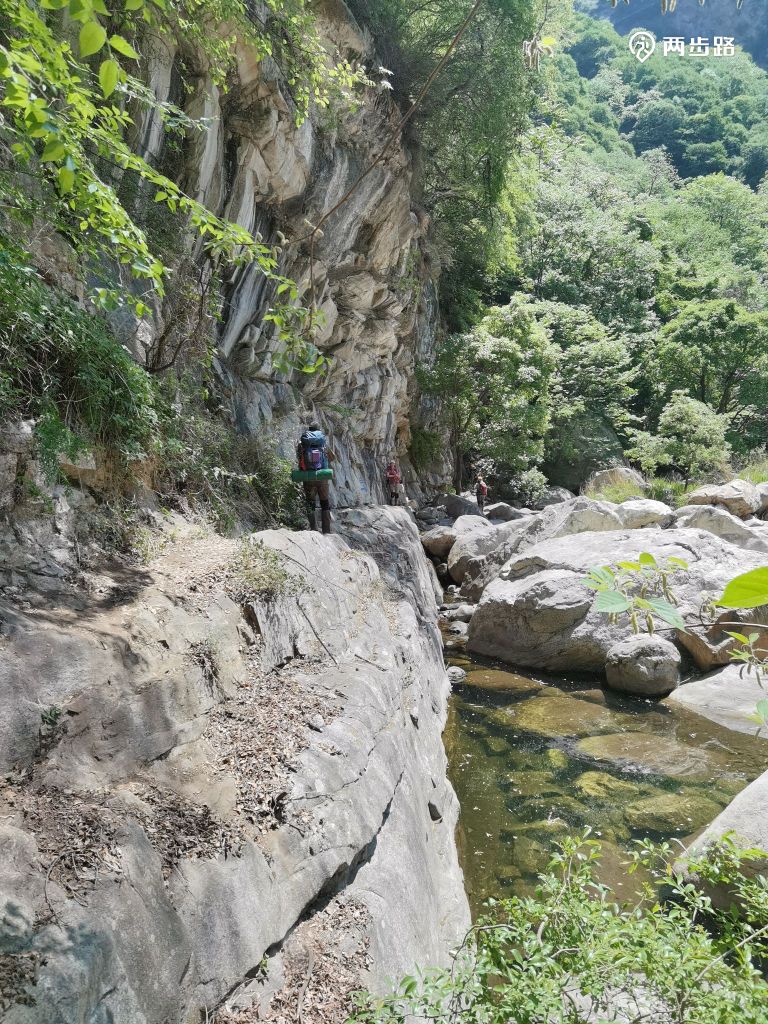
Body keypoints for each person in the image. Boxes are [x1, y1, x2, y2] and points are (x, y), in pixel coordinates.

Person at [296, 422, 334, 534]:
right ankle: (326, 531)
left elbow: (299, 458)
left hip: (308, 477)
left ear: (309, 429)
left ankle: (313, 530)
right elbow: (332, 458)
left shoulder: (302, 443)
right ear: (318, 430)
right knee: (325, 503)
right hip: (322, 477)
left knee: (310, 503)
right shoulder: (323, 442)